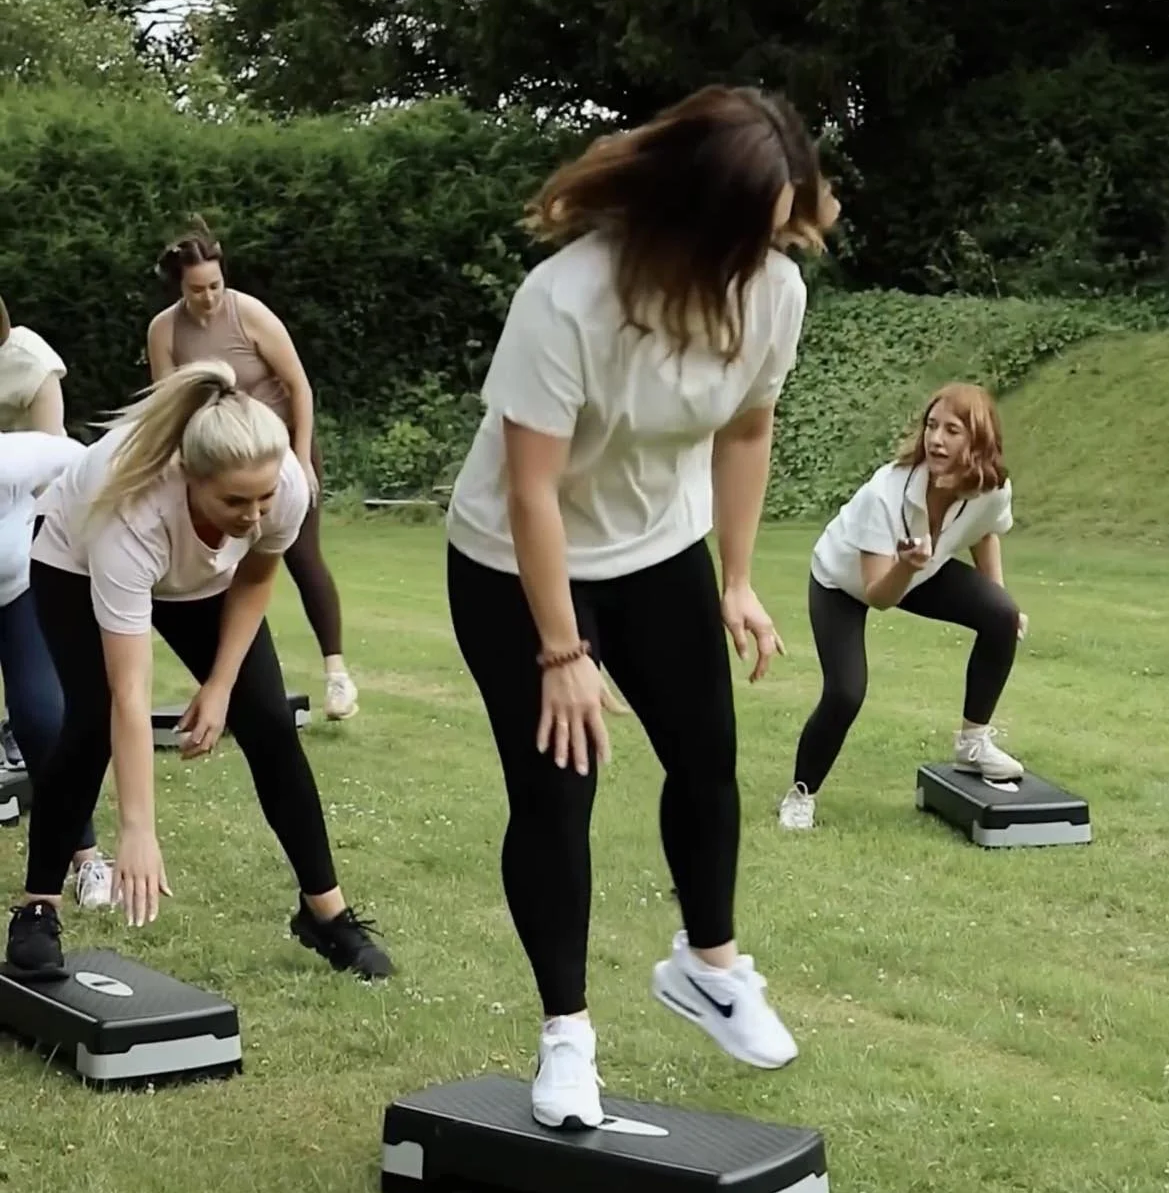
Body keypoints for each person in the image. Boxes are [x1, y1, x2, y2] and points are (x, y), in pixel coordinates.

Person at [445, 84, 840, 1130]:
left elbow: (745, 431)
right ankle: (565, 1037)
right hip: (512, 561)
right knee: (556, 789)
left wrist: (737, 577)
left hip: (658, 546)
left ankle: (707, 964)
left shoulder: (771, 292)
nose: (759, 260)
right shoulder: (566, 298)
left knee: (706, 757)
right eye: (741, 237)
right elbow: (531, 487)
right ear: (684, 215)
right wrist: (561, 650)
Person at [4, 360, 392, 982]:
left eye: (263, 498)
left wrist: (219, 687)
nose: (255, 516)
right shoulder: (131, 509)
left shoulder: (282, 482)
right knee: (92, 719)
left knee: (267, 719)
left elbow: (260, 572)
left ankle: (326, 914)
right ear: (189, 475)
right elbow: (130, 693)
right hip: (74, 563)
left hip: (201, 582)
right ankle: (37, 909)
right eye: (235, 501)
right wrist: (139, 830)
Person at [777, 383, 1028, 832]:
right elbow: (878, 595)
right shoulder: (884, 495)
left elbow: (984, 531)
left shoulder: (993, 489)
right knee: (846, 691)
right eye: (932, 426)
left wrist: (998, 597)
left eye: (952, 430)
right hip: (845, 580)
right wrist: (908, 567)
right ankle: (801, 794)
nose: (936, 439)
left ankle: (973, 743)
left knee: (1003, 616)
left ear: (978, 440)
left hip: (917, 568)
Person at [146, 222, 359, 723]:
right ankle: (230, 683)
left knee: (300, 557)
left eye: (215, 285)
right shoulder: (165, 330)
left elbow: (299, 386)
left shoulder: (249, 314)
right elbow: (167, 405)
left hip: (279, 451)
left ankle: (337, 674)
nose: (208, 297)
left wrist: (303, 460)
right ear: (180, 286)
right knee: (220, 568)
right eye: (197, 289)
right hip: (215, 462)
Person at [0, 297, 110, 905]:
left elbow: (80, 462)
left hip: (17, 593)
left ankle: (87, 855)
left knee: (44, 718)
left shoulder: (17, 454)